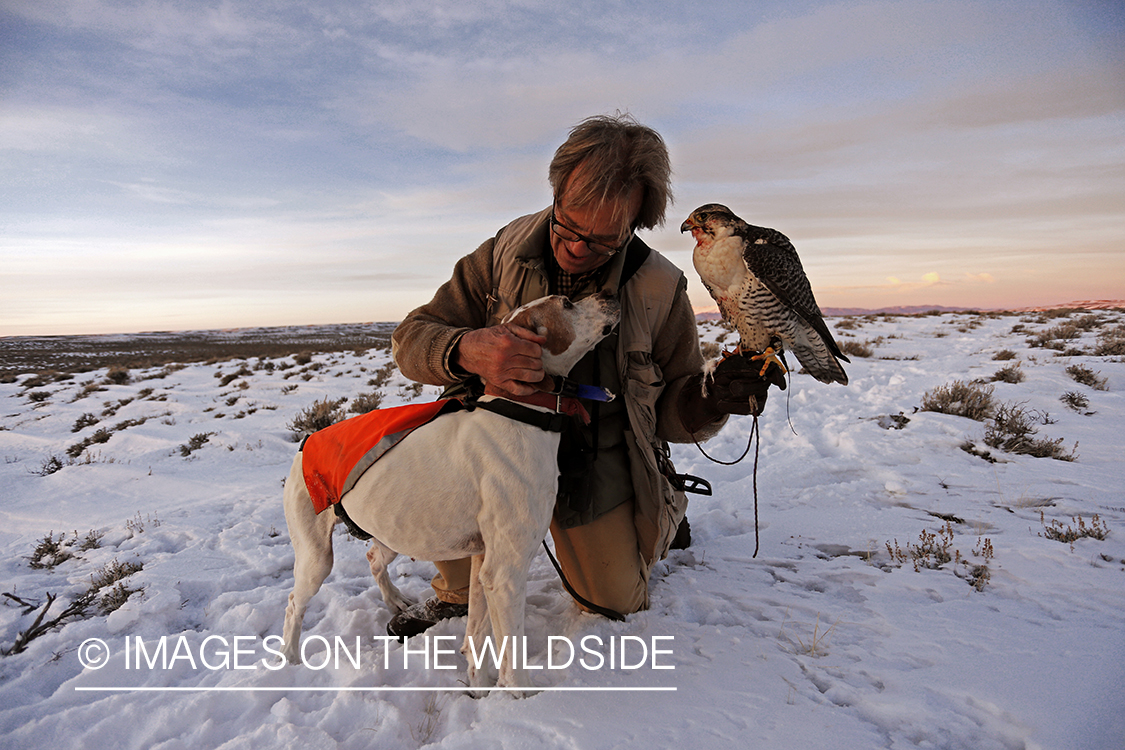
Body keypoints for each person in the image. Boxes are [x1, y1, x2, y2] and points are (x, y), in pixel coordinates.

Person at [388, 113, 779, 637]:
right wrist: (467, 349)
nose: (575, 248)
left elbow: (674, 407)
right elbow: (411, 338)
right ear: (555, 194)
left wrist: (710, 397)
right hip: (494, 451)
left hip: (592, 460)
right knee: (445, 522)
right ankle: (457, 588)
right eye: (566, 224)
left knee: (613, 602)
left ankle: (660, 514)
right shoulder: (504, 251)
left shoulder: (660, 286)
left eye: (601, 241)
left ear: (635, 224)